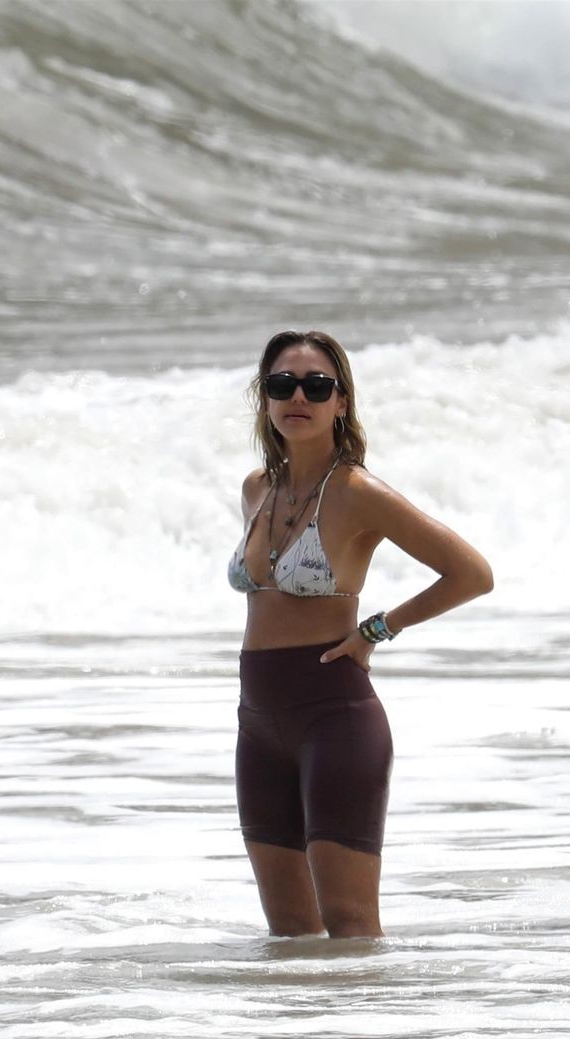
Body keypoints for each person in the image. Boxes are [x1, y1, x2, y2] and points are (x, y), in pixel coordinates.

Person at [228, 330, 492, 939]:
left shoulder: (356, 492)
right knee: (289, 934)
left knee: (350, 926)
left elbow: (472, 574)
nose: (299, 397)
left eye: (317, 386)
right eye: (282, 384)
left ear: (341, 401)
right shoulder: (257, 490)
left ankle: (376, 1011)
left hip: (335, 721)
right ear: (265, 398)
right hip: (258, 726)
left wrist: (378, 628)